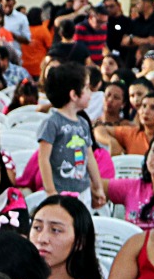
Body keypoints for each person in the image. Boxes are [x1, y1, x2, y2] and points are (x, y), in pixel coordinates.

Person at [37, 63, 106, 208]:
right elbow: (43, 158)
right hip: (59, 192)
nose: (90, 93)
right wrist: (50, 191)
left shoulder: (83, 123)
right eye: (86, 88)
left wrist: (98, 186)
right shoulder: (52, 123)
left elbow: (89, 157)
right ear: (74, 95)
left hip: (83, 192)